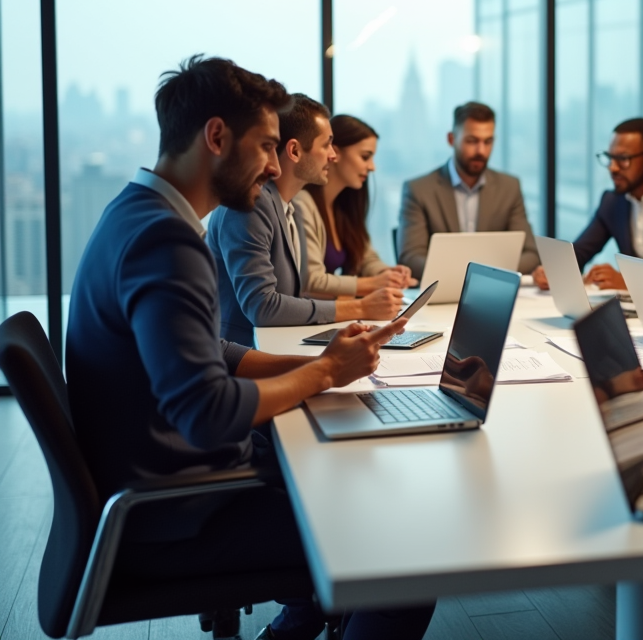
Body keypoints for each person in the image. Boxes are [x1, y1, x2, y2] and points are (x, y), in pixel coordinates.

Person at [64, 56, 435, 640]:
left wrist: (320, 365)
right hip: (176, 514)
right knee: (405, 544)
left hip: (163, 489)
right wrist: (321, 376)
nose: (272, 163)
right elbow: (207, 411)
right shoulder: (165, 239)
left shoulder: (137, 212)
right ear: (216, 137)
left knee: (351, 476)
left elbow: (211, 349)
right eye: (266, 145)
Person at [209, 95, 404, 347]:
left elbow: (297, 296)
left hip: (278, 346)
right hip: (243, 359)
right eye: (327, 145)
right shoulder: (252, 205)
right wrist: (360, 307)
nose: (332, 156)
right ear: (294, 151)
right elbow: (262, 307)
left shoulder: (289, 207)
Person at [533, 117, 643, 291]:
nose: (613, 167)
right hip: (642, 305)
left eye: (623, 159)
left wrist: (629, 281)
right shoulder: (612, 201)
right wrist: (553, 270)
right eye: (610, 158)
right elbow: (580, 252)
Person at [398, 101, 539, 278]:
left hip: (492, 290)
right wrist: (465, 274)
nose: (481, 150)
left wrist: (483, 274)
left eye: (488, 142)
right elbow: (411, 258)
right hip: (441, 291)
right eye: (472, 141)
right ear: (451, 139)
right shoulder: (419, 190)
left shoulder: (509, 187)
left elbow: (531, 254)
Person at [293, 113, 416, 299]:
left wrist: (388, 274)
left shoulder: (343, 205)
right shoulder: (302, 203)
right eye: (365, 157)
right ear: (335, 152)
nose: (372, 167)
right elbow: (312, 281)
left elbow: (366, 256)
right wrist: (373, 284)